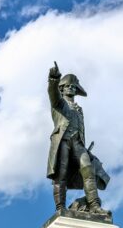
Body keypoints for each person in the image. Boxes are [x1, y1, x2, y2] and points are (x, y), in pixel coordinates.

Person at [46, 62, 109, 214]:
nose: (72, 89)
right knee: (60, 175)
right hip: (63, 142)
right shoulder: (59, 104)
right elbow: (52, 93)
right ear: (62, 88)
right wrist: (53, 79)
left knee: (88, 170)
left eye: (74, 87)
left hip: (78, 143)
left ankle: (94, 205)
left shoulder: (79, 109)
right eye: (69, 86)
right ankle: (60, 208)